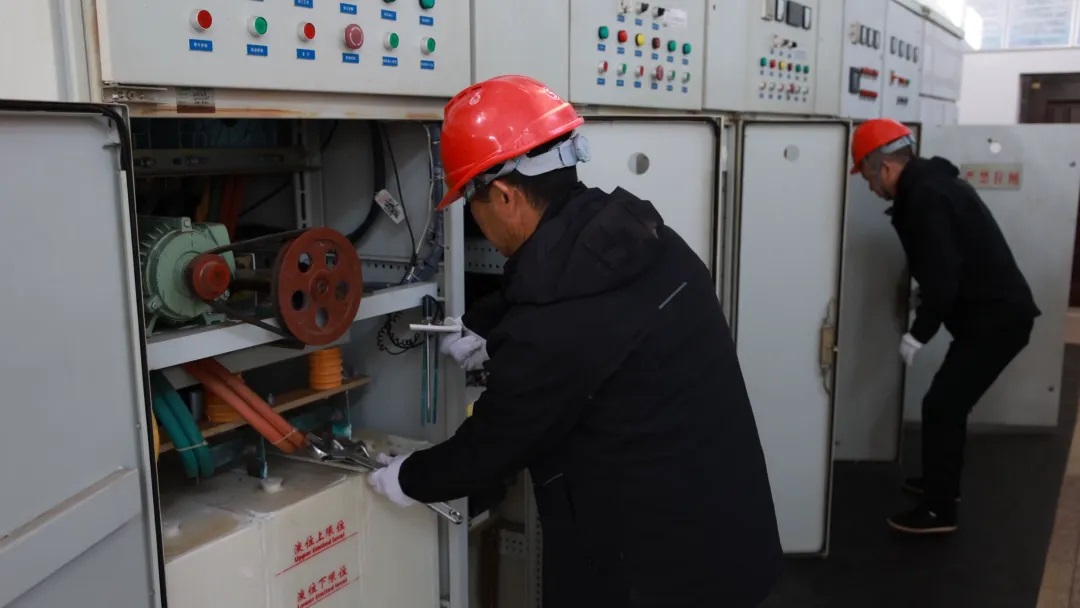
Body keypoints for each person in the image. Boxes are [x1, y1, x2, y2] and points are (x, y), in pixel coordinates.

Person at [368, 75, 783, 607]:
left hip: (662, 575)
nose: (472, 215)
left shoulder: (553, 327)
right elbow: (561, 288)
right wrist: (487, 323)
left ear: (504, 195)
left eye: (470, 200)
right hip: (728, 531)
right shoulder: (646, 237)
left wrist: (408, 478)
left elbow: (491, 449)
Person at [850, 118, 1040, 535]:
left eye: (868, 178)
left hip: (997, 321)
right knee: (947, 405)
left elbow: (943, 271)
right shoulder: (933, 185)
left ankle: (939, 510)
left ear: (885, 168)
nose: (871, 188)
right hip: (994, 317)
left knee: (942, 405)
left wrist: (919, 332)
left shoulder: (925, 196)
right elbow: (949, 261)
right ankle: (940, 485)